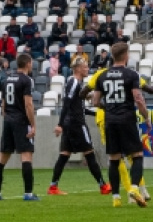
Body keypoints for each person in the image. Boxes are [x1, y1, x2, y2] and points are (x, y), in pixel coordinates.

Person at [91, 42, 149, 208]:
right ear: (125, 55)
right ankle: (134, 188)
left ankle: (116, 198)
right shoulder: (131, 75)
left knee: (114, 159)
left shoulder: (102, 76)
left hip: (110, 120)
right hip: (127, 119)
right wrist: (146, 117)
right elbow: (138, 98)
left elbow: (95, 101)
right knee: (137, 155)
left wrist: (108, 107)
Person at [47, 58, 112, 196]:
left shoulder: (78, 83)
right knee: (89, 153)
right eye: (85, 67)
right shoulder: (74, 82)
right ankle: (103, 185)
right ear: (77, 69)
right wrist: (59, 124)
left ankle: (53, 187)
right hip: (76, 124)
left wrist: (97, 113)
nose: (87, 69)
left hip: (70, 123)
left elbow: (79, 107)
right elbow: (67, 103)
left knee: (64, 156)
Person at [0, 52, 39, 202]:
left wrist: (6, 117)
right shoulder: (27, 80)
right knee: (26, 155)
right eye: (31, 63)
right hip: (21, 121)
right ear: (27, 64)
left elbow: (4, 103)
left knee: (2, 157)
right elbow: (28, 104)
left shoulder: (7, 79)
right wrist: (33, 124)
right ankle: (28, 194)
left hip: (8, 120)